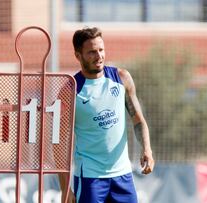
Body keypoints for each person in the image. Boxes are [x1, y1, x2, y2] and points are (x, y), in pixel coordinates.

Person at [61, 26, 155, 203]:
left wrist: (147, 149)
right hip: (89, 178)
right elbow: (59, 143)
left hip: (123, 176)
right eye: (91, 52)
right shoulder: (70, 90)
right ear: (78, 55)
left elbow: (138, 120)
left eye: (101, 50)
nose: (99, 56)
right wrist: (65, 188)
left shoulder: (121, 78)